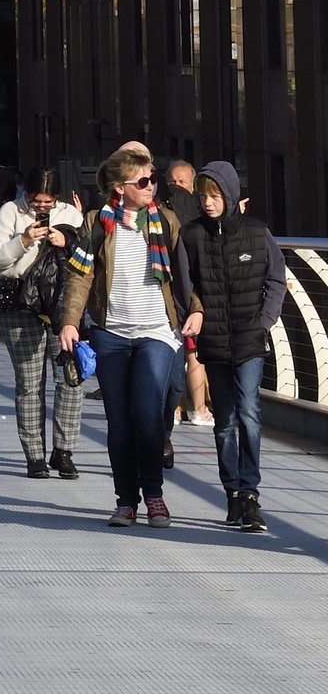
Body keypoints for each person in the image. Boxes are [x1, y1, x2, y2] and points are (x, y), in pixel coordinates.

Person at [58, 144, 193, 526]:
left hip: (157, 331)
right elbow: (80, 274)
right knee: (119, 422)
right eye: (144, 181)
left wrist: (195, 310)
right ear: (120, 188)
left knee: (148, 416)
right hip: (111, 333)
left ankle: (154, 495)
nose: (152, 185)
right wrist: (70, 320)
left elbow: (186, 274)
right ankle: (125, 501)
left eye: (153, 178)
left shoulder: (166, 221)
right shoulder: (96, 223)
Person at [180, 161, 286, 533]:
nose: (209, 203)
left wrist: (263, 322)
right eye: (203, 196)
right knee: (224, 420)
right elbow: (185, 283)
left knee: (249, 411)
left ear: (230, 195)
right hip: (213, 341)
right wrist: (195, 314)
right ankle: (232, 491)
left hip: (250, 339)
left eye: (215, 195)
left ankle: (251, 493)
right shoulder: (192, 235)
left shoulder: (258, 233)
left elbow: (276, 279)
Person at [0, 168, 84, 477]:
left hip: (61, 306)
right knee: (29, 384)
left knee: (70, 378)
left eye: (48, 202)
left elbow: (86, 258)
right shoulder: (10, 212)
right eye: (36, 201)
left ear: (57, 198)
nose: (41, 207)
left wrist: (65, 239)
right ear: (25, 194)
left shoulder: (70, 214)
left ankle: (64, 450)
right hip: (19, 304)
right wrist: (24, 239)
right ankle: (35, 455)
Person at [160, 160, 213, 431]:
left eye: (182, 181)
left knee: (187, 352)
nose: (176, 186)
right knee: (188, 353)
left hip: (188, 293)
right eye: (172, 181)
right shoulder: (170, 214)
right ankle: (195, 408)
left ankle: (182, 408)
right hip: (176, 293)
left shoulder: (176, 213)